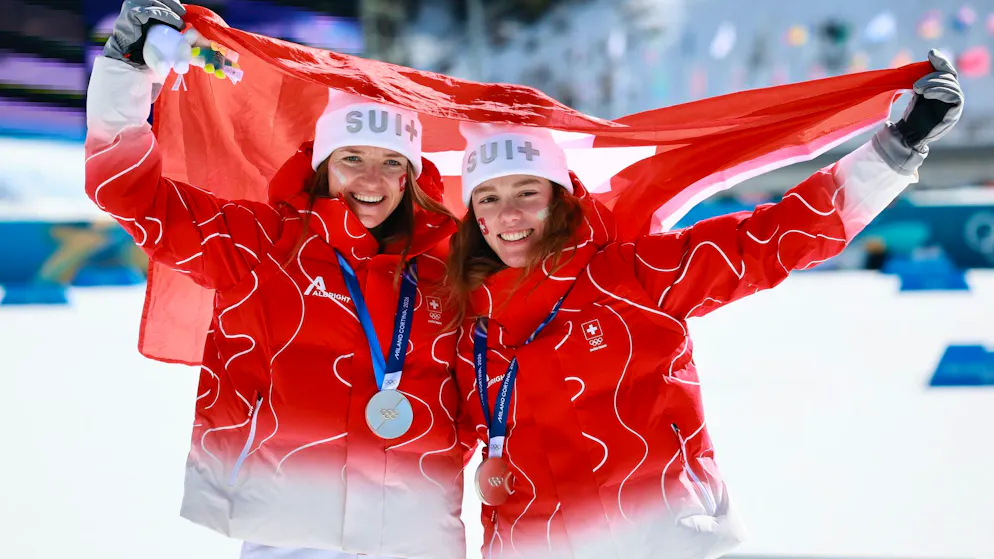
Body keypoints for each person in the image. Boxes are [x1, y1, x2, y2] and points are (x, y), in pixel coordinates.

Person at [446, 52, 963, 559]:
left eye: (527, 192)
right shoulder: (465, 328)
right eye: (488, 198)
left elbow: (768, 241)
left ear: (560, 198)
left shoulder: (633, 276)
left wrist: (895, 150)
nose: (508, 214)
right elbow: (421, 444)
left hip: (663, 538)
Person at [85, 2, 469, 558]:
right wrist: (126, 69)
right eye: (352, 158)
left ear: (412, 176)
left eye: (392, 163)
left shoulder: (452, 269)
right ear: (322, 164)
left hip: (417, 530)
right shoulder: (262, 243)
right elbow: (131, 194)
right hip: (288, 523)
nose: (371, 179)